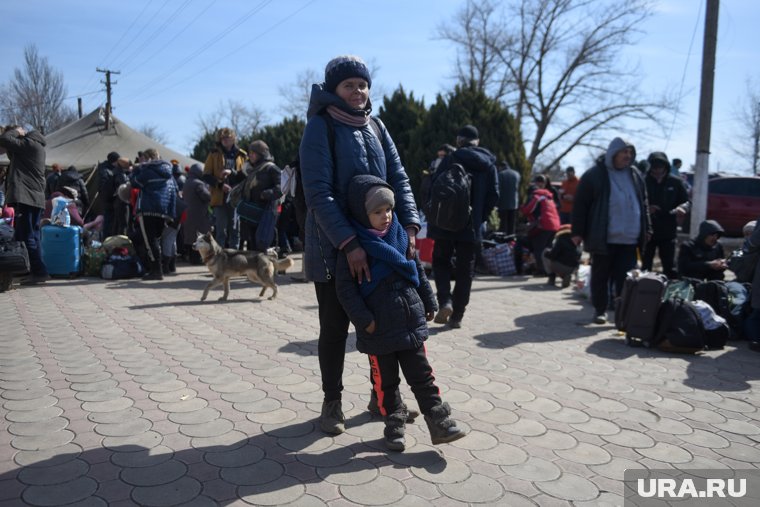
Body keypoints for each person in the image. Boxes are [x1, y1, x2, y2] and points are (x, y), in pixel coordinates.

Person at [299, 55, 420, 435]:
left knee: (382, 324)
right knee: (335, 328)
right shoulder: (320, 127)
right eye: (349, 85)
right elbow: (318, 193)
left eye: (362, 84)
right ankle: (331, 403)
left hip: (382, 242)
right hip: (334, 246)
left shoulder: (378, 126)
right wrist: (349, 242)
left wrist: (411, 227)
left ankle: (384, 398)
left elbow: (398, 178)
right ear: (334, 90)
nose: (357, 91)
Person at [335, 174, 465, 451]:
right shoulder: (355, 248)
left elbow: (417, 270)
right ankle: (394, 424)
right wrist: (365, 321)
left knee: (423, 375)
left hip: (409, 321)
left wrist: (429, 302)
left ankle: (438, 421)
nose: (385, 216)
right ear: (361, 213)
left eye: (389, 210)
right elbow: (345, 290)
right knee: (387, 382)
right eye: (377, 212)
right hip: (378, 328)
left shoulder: (400, 236)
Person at [571, 137, 651, 324]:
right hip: (604, 237)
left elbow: (644, 203)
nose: (628, 156)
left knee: (625, 280)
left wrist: (647, 227)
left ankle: (622, 315)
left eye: (630, 153)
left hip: (630, 239)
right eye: (624, 152)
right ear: (613, 153)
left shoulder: (636, 175)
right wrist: (577, 232)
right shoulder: (595, 175)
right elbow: (580, 205)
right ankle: (600, 310)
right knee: (601, 277)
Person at [428, 124, 499, 329]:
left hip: (445, 224)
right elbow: (494, 195)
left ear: (459, 140)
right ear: (477, 142)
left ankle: (445, 301)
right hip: (471, 226)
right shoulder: (489, 164)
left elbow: (435, 187)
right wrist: (479, 217)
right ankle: (458, 314)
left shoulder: (450, 158)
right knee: (465, 269)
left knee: (440, 262)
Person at [0, 125, 49, 284]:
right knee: (31, 235)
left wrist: (16, 132)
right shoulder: (35, 146)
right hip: (34, 198)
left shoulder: (29, 144)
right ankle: (33, 270)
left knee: (27, 236)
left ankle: (39, 272)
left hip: (27, 197)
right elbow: (11, 150)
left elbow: (5, 139)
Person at [641, 151, 690, 278]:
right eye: (654, 167)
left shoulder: (675, 182)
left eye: (660, 167)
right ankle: (641, 294)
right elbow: (634, 202)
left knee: (669, 266)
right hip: (647, 231)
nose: (657, 171)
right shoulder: (643, 181)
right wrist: (646, 208)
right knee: (645, 266)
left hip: (668, 229)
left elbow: (687, 202)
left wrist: (682, 208)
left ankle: (670, 293)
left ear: (665, 167)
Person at [130, 148, 176, 280]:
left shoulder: (147, 170)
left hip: (148, 209)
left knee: (150, 242)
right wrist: (170, 213)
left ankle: (156, 271)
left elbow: (134, 182)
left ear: (148, 158)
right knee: (157, 240)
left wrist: (137, 169)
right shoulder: (169, 173)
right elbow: (174, 192)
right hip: (163, 211)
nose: (140, 161)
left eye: (142, 158)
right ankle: (158, 269)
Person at [203, 128, 247, 249]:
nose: (225, 140)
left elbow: (246, 175)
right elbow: (206, 175)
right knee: (221, 230)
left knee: (235, 229)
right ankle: (220, 260)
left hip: (236, 197)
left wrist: (232, 173)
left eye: (228, 137)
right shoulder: (213, 153)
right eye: (222, 138)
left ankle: (235, 259)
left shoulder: (242, 155)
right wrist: (221, 185)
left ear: (233, 138)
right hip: (219, 198)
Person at [238, 140, 282, 251]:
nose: (250, 155)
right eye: (250, 153)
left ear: (261, 154)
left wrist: (266, 194)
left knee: (264, 246)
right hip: (252, 213)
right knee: (253, 247)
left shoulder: (272, 168)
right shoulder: (252, 169)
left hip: (266, 212)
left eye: (253, 153)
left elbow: (281, 188)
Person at [519, 174, 560, 277]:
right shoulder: (549, 197)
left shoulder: (537, 196)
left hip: (544, 225)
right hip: (555, 225)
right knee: (548, 249)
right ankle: (551, 270)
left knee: (539, 248)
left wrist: (522, 208)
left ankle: (542, 271)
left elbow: (528, 209)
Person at [182, 163, 211, 265]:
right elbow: (207, 197)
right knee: (199, 237)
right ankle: (197, 260)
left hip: (188, 214)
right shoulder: (199, 184)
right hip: (199, 215)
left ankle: (192, 259)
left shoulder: (187, 182)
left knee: (190, 238)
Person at [542, 224, 581, 288]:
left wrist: (547, 253)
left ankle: (552, 277)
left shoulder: (561, 240)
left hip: (560, 266)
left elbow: (552, 255)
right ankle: (565, 276)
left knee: (545, 252)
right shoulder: (578, 241)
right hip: (573, 269)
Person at [96, 151, 121, 238]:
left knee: (111, 222)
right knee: (108, 222)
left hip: (110, 200)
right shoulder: (105, 171)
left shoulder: (108, 169)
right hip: (109, 200)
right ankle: (107, 240)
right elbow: (104, 187)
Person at [497, 162, 521, 236]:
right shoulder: (517, 174)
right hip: (514, 203)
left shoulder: (500, 174)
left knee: (503, 223)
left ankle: (503, 238)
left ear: (501, 167)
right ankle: (511, 238)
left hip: (503, 202)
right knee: (512, 222)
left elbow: (498, 188)